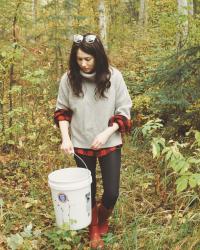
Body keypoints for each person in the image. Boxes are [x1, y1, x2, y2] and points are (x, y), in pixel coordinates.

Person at [54, 33, 132, 249]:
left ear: (98, 56)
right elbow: (62, 111)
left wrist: (107, 132)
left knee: (112, 192)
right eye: (79, 59)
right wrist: (65, 138)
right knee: (89, 190)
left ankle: (102, 216)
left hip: (109, 141)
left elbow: (124, 112)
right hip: (80, 143)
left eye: (88, 59)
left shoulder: (114, 77)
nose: (84, 64)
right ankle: (93, 227)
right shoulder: (68, 78)